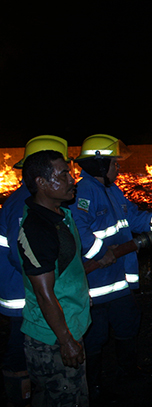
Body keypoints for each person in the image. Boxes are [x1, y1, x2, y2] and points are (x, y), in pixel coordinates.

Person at [68, 134, 152, 399]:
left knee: (128, 323)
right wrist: (100, 253)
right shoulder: (83, 192)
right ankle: (93, 384)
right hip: (95, 283)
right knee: (94, 334)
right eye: (114, 163)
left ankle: (128, 371)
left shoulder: (112, 190)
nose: (119, 167)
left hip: (118, 280)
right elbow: (77, 228)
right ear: (99, 164)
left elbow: (134, 217)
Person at [1, 135, 71, 407]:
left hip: (26, 290)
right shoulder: (25, 205)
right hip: (22, 293)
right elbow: (26, 258)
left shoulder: (28, 199)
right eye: (61, 171)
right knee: (20, 351)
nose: (69, 177)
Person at [16, 150, 91, 406]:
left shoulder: (61, 215)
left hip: (70, 326)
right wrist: (66, 341)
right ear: (42, 182)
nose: (72, 180)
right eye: (64, 175)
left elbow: (67, 269)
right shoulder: (37, 229)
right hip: (52, 339)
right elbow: (43, 293)